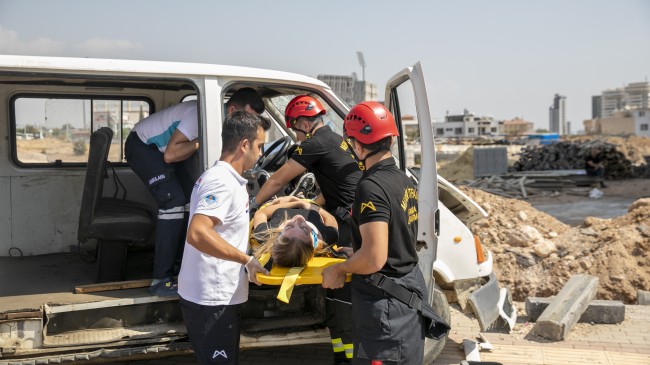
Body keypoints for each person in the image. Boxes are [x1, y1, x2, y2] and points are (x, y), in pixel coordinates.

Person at [125, 88, 264, 296]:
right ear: (232, 109)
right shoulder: (200, 117)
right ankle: (160, 280)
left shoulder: (224, 121)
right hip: (144, 147)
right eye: (247, 117)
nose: (251, 127)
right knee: (173, 203)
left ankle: (180, 265)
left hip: (161, 151)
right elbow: (171, 155)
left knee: (192, 201)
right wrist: (203, 140)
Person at [252, 95, 359, 364]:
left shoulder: (315, 143)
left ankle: (347, 357)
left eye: (294, 128)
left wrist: (253, 204)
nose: (295, 135)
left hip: (348, 222)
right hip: (349, 217)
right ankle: (341, 351)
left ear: (302, 122)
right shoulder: (336, 140)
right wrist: (307, 203)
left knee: (341, 294)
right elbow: (332, 190)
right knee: (337, 293)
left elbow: (278, 179)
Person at [322, 102, 428, 365]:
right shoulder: (404, 180)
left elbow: (374, 258)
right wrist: (355, 251)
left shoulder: (371, 187)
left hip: (386, 309)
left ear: (357, 146)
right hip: (406, 297)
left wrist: (340, 269)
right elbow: (396, 238)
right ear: (392, 139)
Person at [177, 111, 270, 365]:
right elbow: (197, 233)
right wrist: (246, 260)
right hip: (211, 299)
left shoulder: (227, 180)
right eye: (259, 146)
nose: (261, 154)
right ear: (244, 145)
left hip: (218, 297)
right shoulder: (221, 182)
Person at [251, 195, 339, 268]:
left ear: (277, 235)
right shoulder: (326, 237)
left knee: (271, 197)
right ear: (314, 241)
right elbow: (331, 219)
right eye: (305, 230)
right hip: (308, 204)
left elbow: (260, 213)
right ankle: (301, 193)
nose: (298, 218)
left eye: (289, 226)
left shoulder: (265, 234)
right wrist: (301, 202)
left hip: (277, 205)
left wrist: (291, 202)